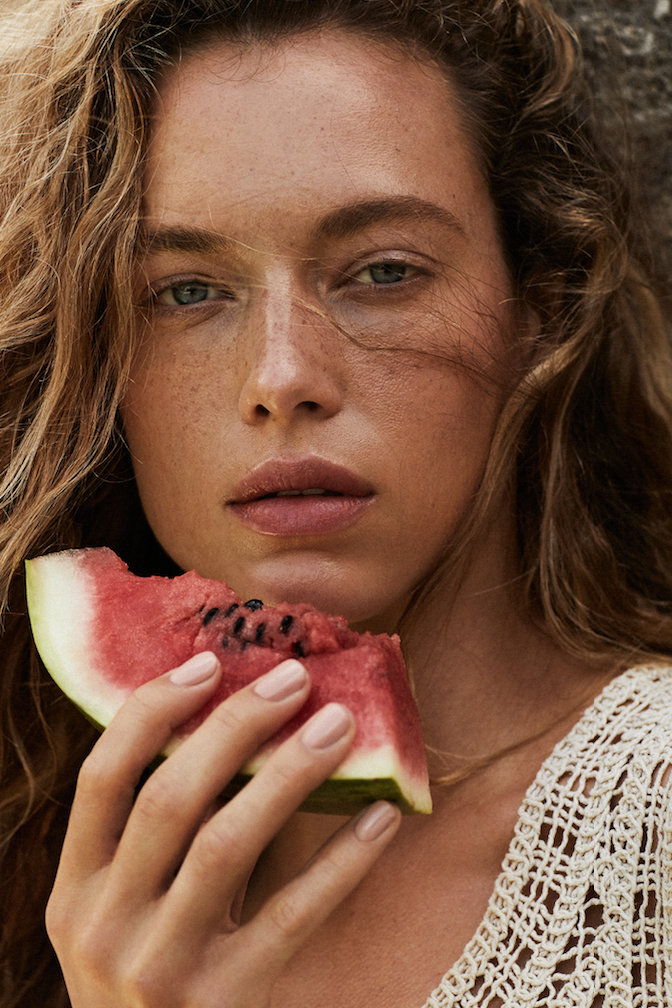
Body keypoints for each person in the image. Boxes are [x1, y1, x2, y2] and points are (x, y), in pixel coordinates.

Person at [0, 0, 671, 1004]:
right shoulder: (45, 868)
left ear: (540, 308)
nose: (281, 377)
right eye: (186, 291)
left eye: (384, 272)